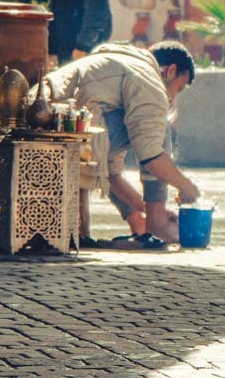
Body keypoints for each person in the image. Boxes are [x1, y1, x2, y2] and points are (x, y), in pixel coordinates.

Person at [40, 40, 199, 248]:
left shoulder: (119, 64)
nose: (173, 98)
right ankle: (157, 221)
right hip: (59, 130)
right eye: (178, 89)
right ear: (170, 71)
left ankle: (143, 222)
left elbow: (111, 174)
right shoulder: (148, 79)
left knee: (146, 129)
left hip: (46, 123)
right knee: (160, 127)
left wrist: (141, 208)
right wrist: (189, 189)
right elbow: (151, 155)